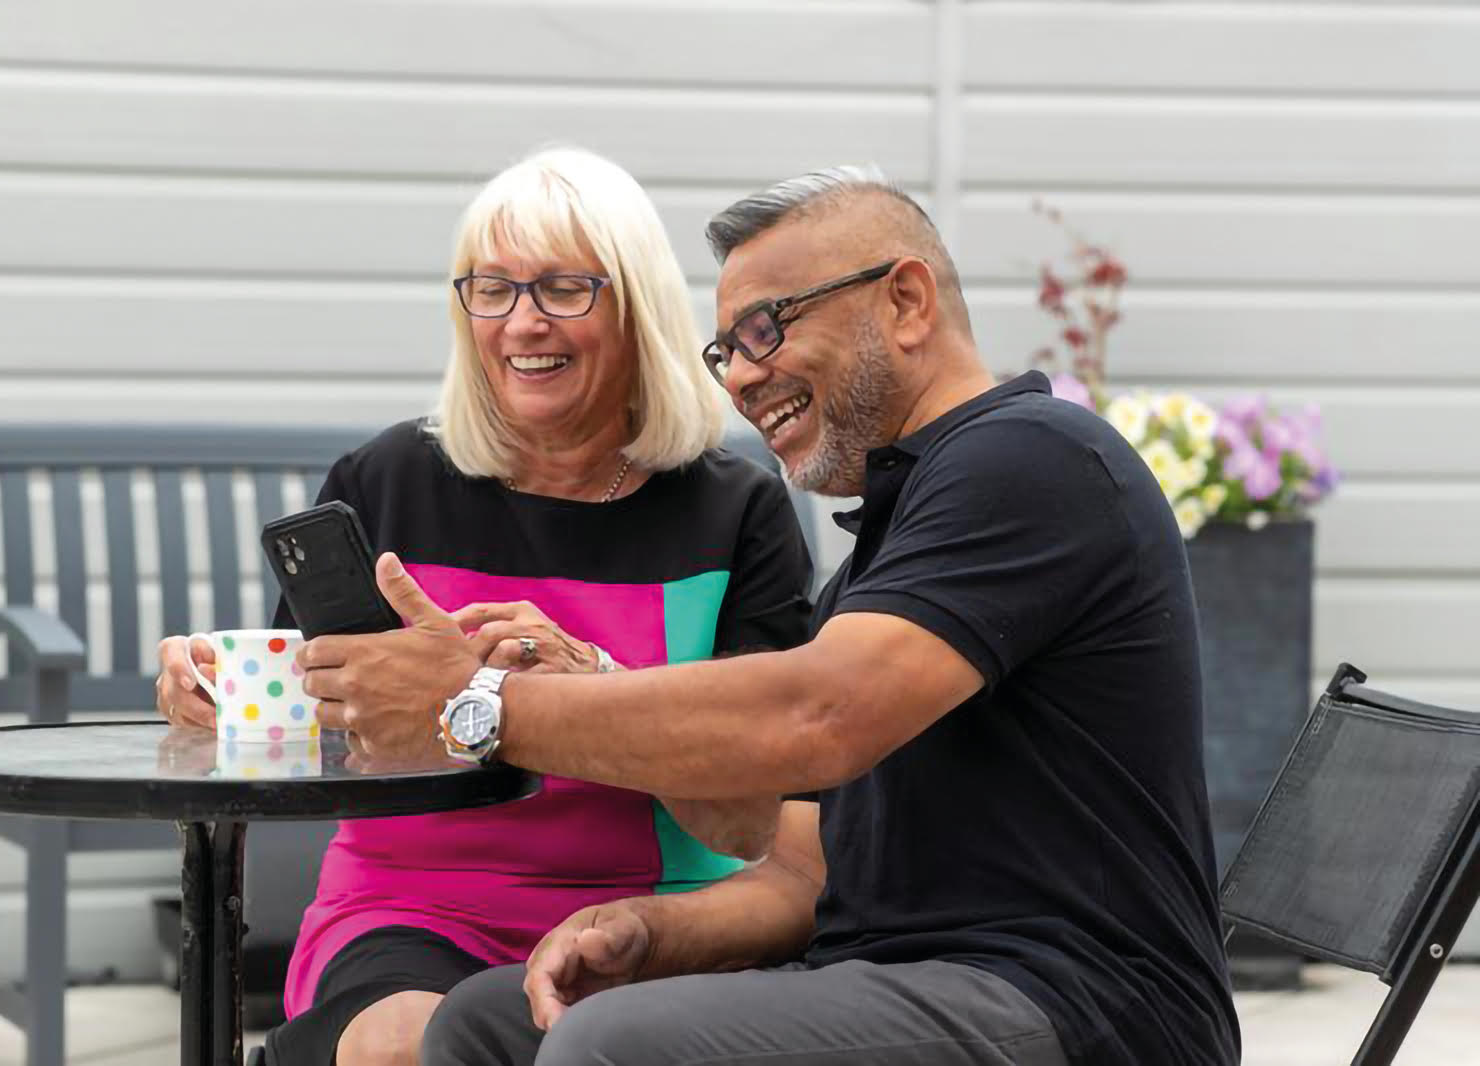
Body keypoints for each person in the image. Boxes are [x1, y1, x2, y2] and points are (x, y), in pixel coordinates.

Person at [301, 165, 1242, 1066]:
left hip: (1073, 1002)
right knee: (484, 1025)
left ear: (906, 301)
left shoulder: (1031, 459)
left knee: (604, 1046)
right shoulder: (899, 532)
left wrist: (481, 700)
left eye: (766, 329)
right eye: (727, 351)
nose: (743, 379)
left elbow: (813, 717)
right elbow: (801, 870)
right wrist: (644, 928)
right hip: (900, 976)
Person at [152, 147, 813, 1066]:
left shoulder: (735, 511)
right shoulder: (385, 484)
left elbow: (748, 821)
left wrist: (596, 683)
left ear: (636, 308)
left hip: (658, 912)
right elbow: (313, 727)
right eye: (491, 289)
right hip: (413, 902)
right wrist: (214, 697)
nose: (521, 322)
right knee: (407, 1049)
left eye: (562, 289)